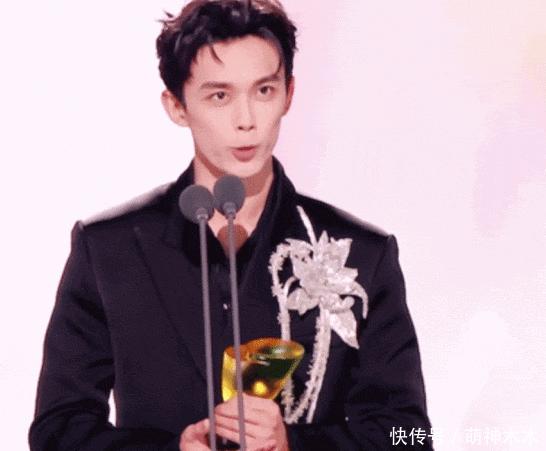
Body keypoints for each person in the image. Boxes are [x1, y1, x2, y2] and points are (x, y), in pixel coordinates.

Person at [29, 1, 433, 450]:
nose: (247, 121)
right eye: (219, 96)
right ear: (176, 106)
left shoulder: (361, 253)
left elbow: (409, 436)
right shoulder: (110, 249)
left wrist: (292, 444)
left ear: (289, 93)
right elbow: (58, 430)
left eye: (264, 90)